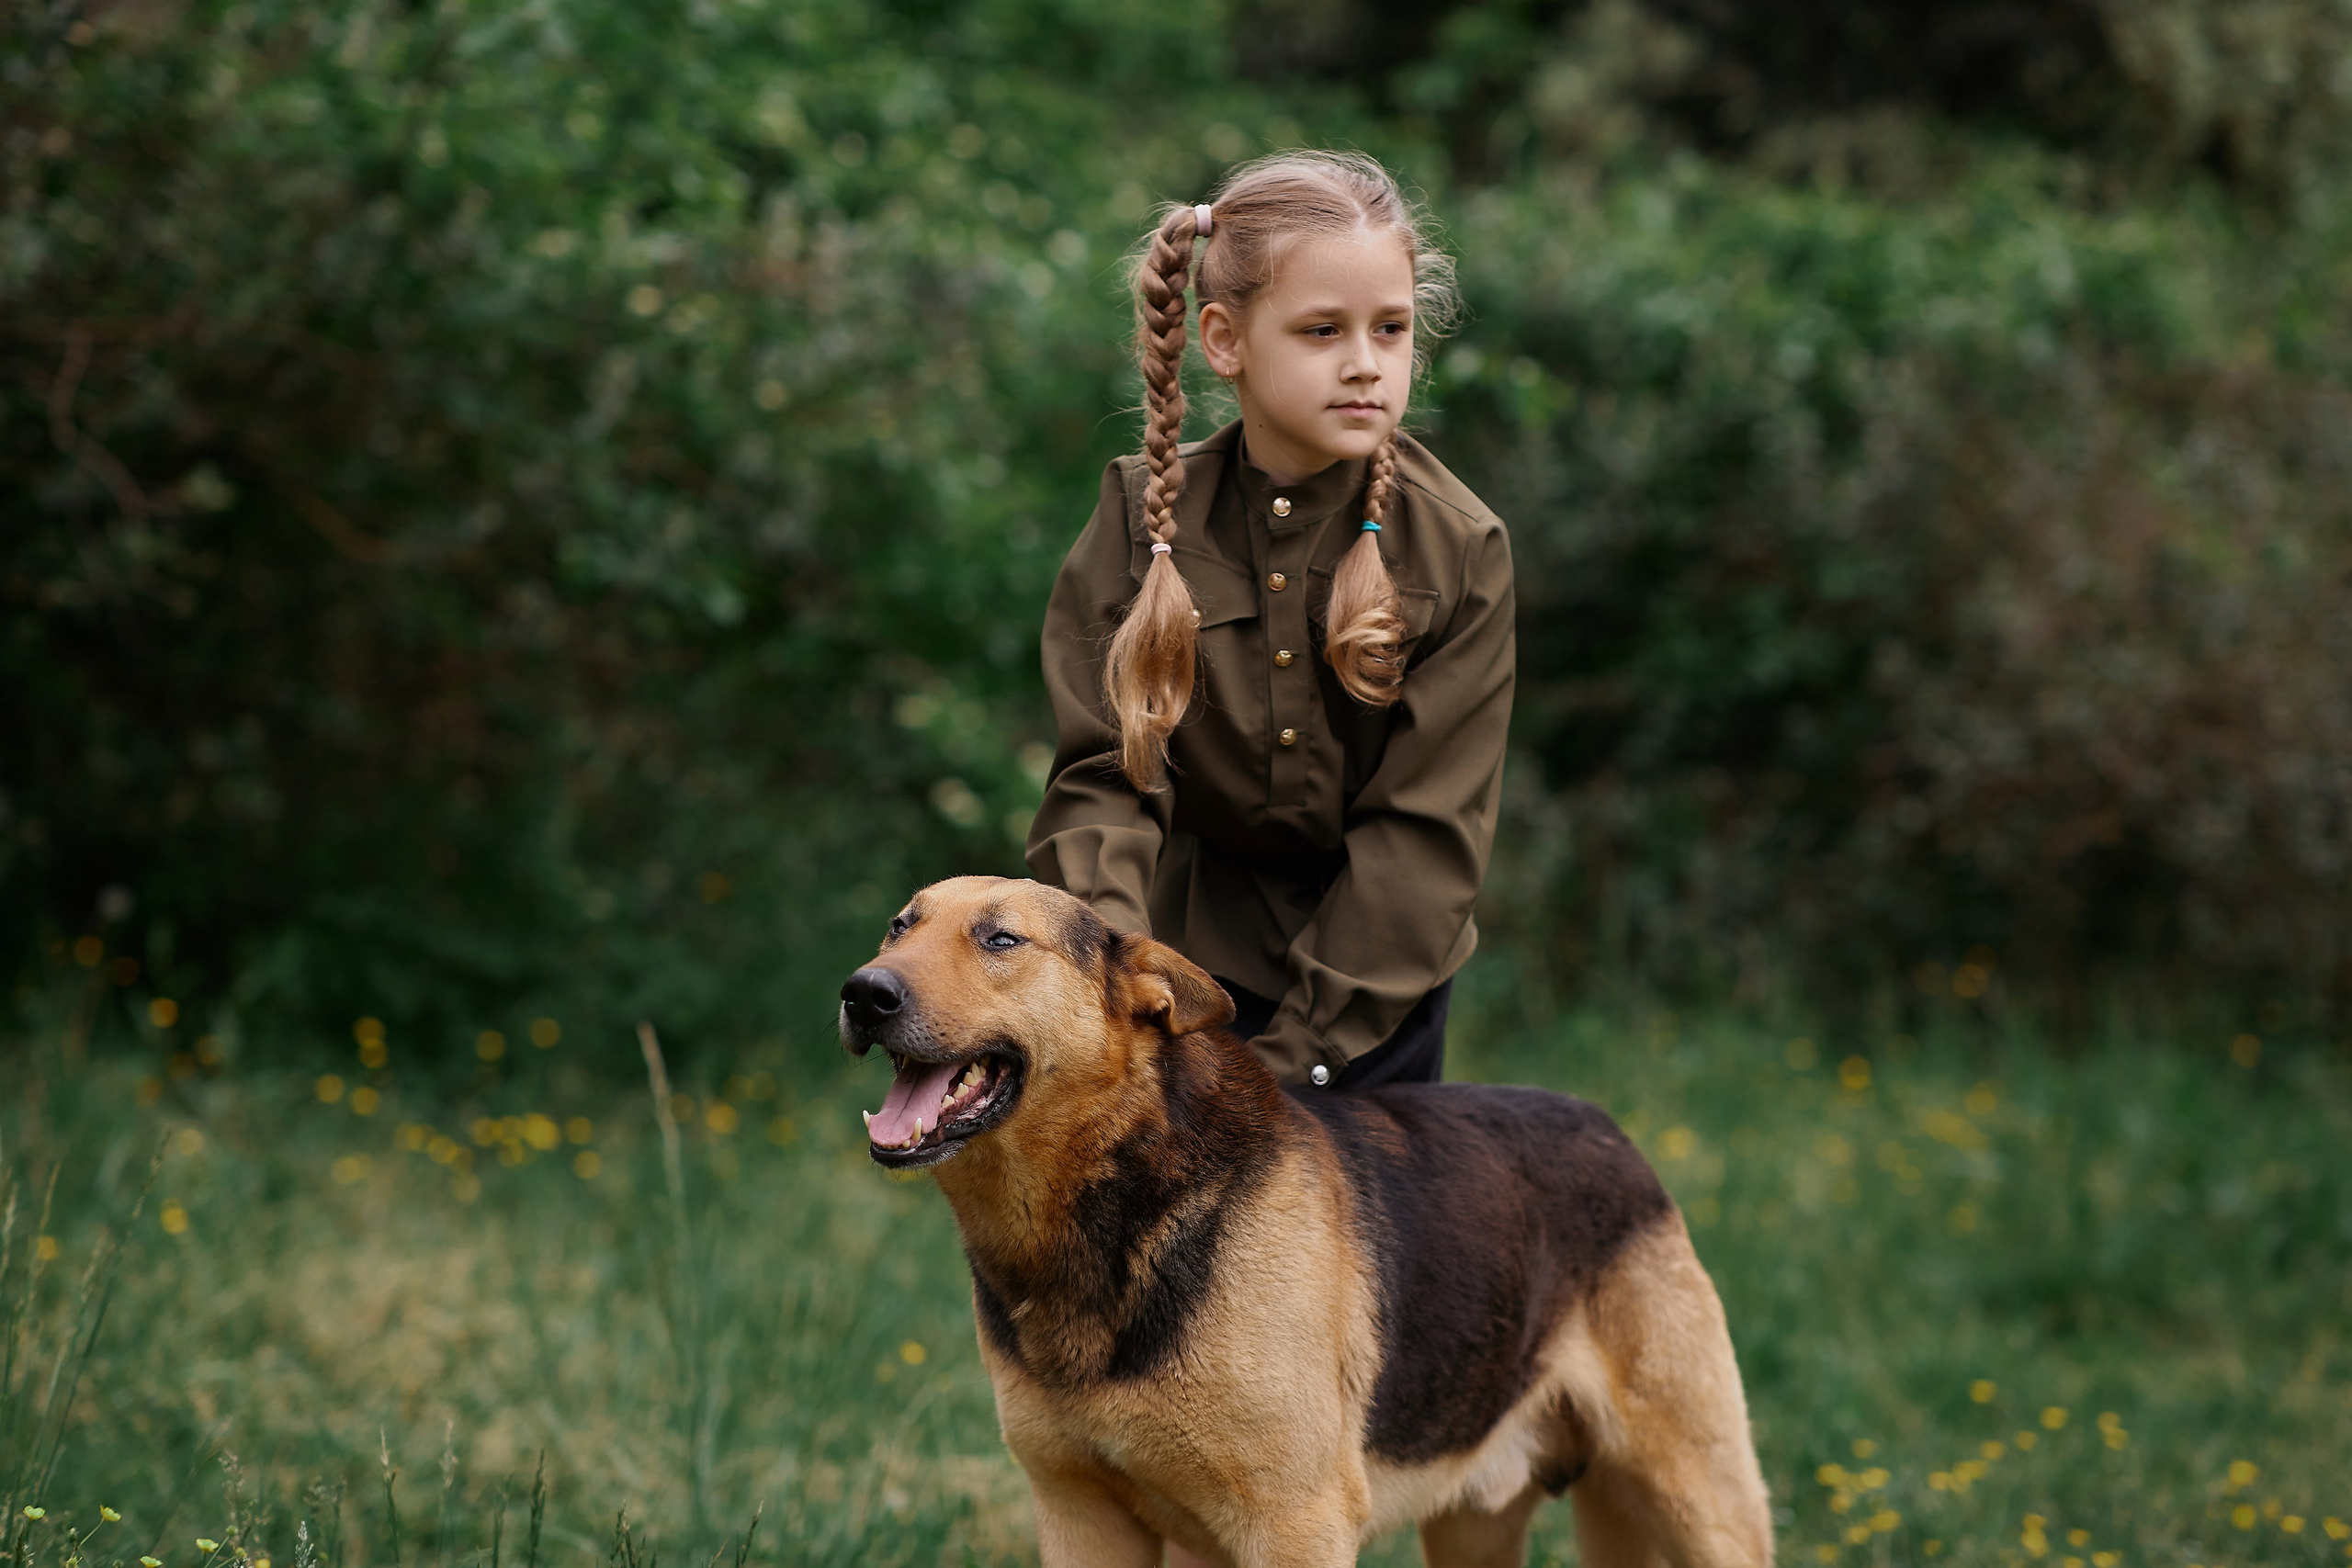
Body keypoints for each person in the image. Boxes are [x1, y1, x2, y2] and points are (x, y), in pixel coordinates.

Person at [1026, 149, 1514, 1096]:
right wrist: (1118, 994)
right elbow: (1104, 783)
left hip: (1379, 1003)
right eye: (1322, 330)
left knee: (1360, 1248)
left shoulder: (1458, 547)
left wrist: (1298, 1063)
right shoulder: (1139, 524)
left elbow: (1422, 837)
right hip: (1183, 983)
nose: (1366, 364)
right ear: (1224, 339)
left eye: (1392, 329)